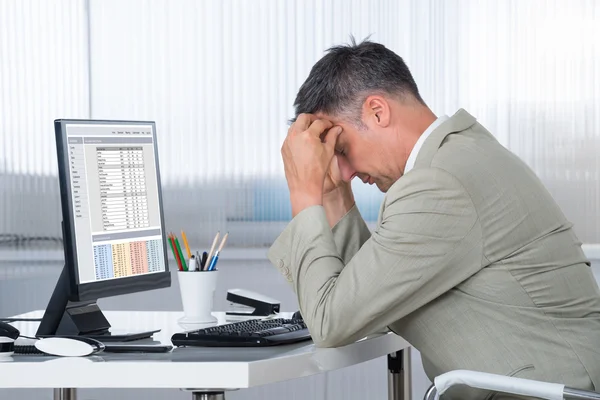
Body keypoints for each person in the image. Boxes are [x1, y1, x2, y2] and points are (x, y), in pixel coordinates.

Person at [267, 38, 600, 399]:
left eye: (341, 150)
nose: (343, 171)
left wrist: (304, 191)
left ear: (377, 111)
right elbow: (361, 307)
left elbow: (330, 323)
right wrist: (332, 192)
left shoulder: (439, 184)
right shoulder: (457, 158)